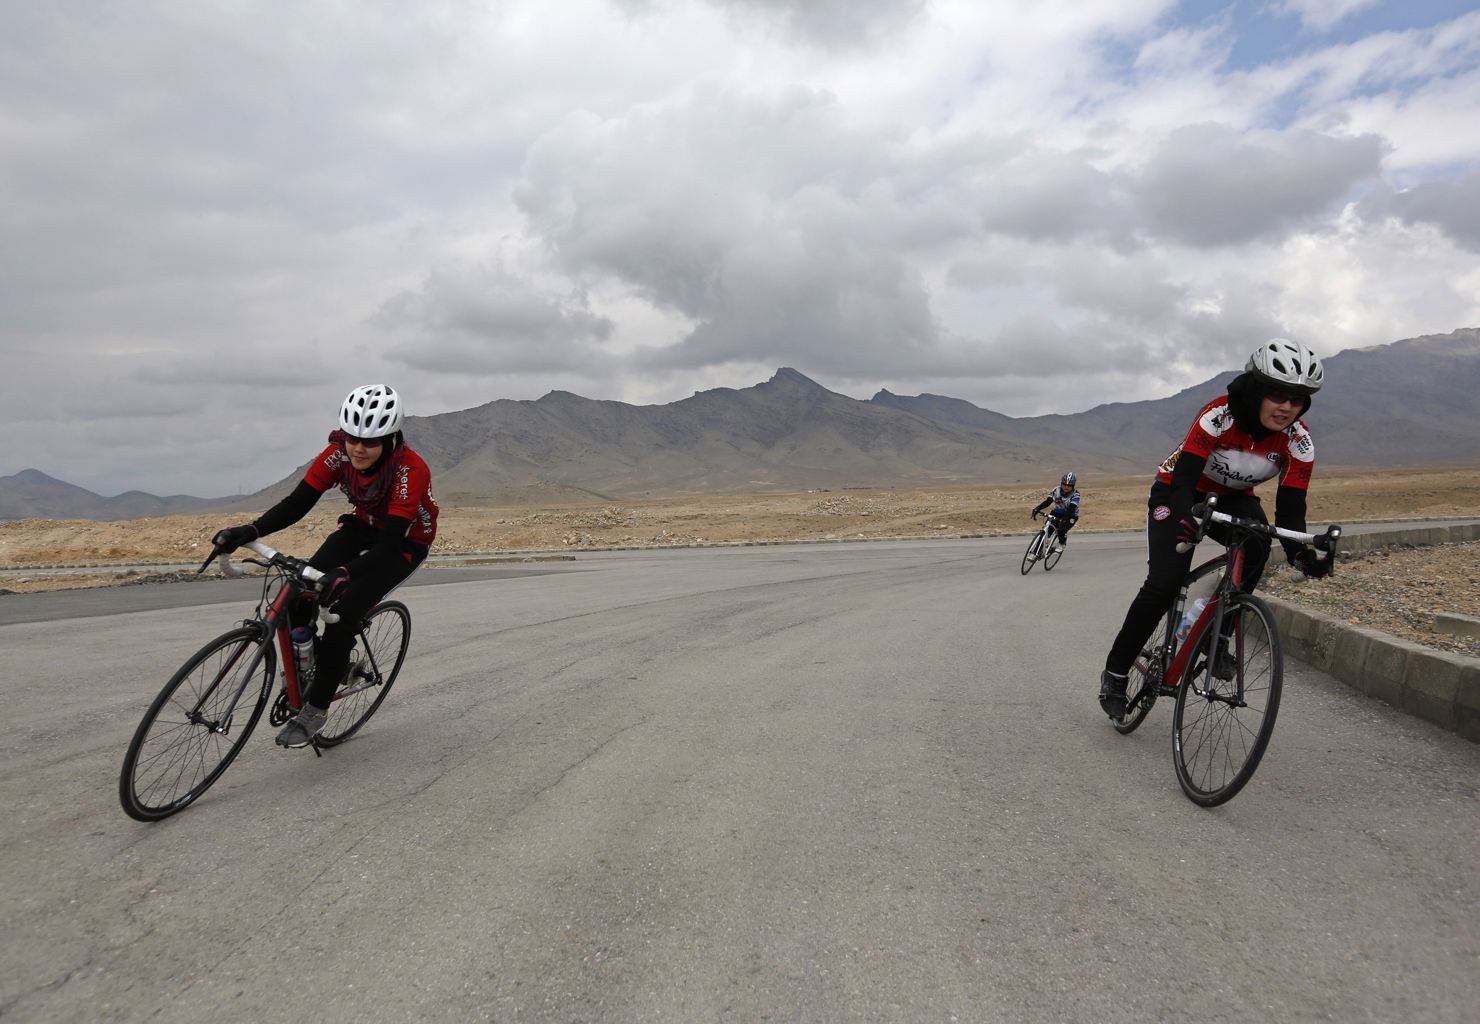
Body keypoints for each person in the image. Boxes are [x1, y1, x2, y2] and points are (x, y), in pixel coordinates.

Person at [1098, 339, 1330, 720]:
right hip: (1179, 490)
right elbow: (1186, 477)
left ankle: (1218, 638)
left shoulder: (1299, 442)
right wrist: (1186, 518)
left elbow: (1290, 510)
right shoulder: (1217, 415)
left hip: (1233, 497)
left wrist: (1300, 554)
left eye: (1298, 399)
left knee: (1258, 544)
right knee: (1164, 583)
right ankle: (1116, 672)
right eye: (1277, 394)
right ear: (1256, 388)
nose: (1287, 406)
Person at [213, 384, 439, 747]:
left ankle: (316, 708)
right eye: (352, 438)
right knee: (301, 593)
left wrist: (345, 573)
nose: (358, 448)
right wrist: (249, 530)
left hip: (403, 543)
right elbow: (297, 502)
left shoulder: (411, 471)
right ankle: (321, 662)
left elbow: (387, 544)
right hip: (363, 524)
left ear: (392, 439)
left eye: (371, 441)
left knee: (343, 617)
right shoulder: (339, 454)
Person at [1031, 471, 1081, 549]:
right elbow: (1048, 502)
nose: (1066, 487)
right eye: (1064, 484)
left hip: (1071, 515)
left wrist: (1064, 519)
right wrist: (1037, 508)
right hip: (1057, 512)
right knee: (1047, 530)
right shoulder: (1056, 490)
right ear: (1061, 483)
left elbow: (1071, 508)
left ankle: (1062, 543)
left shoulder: (1076, 495)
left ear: (1073, 486)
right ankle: (1036, 551)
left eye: (1069, 485)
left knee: (1061, 529)